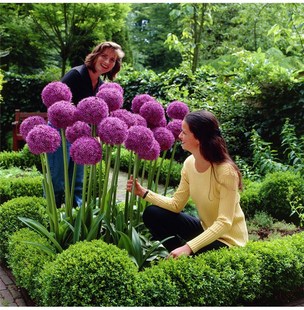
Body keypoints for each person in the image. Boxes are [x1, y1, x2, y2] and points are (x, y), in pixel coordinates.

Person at [126, 109, 248, 258]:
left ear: (198, 138)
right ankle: (182, 258)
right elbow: (176, 204)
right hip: (206, 230)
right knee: (153, 214)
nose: (179, 136)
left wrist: (189, 247)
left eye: (184, 132)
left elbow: (224, 222)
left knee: (196, 249)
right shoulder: (189, 163)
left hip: (229, 242)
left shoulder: (226, 172)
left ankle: (187, 255)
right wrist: (144, 193)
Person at [48, 41, 125, 208]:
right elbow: (56, 107)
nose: (107, 62)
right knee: (57, 179)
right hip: (60, 132)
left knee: (77, 181)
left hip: (81, 135)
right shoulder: (75, 75)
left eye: (112, 60)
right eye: (104, 56)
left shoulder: (101, 86)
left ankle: (75, 216)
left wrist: (97, 134)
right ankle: (52, 217)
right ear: (95, 55)